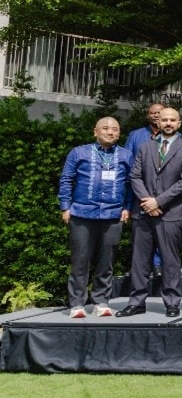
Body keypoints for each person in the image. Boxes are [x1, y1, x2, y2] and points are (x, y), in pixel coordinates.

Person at [120, 107, 182, 318]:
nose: (168, 123)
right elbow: (135, 176)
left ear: (179, 123)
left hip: (172, 213)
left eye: (172, 120)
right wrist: (148, 202)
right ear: (158, 123)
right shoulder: (145, 147)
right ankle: (137, 302)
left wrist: (158, 201)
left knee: (170, 260)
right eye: (164, 120)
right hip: (143, 212)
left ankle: (172, 302)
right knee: (139, 260)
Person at [58, 117, 132, 318]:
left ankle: (101, 301)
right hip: (82, 213)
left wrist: (127, 207)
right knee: (80, 260)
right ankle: (77, 304)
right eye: (105, 128)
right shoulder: (78, 152)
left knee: (106, 261)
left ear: (119, 133)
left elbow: (132, 184)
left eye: (115, 129)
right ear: (95, 131)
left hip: (113, 214)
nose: (110, 132)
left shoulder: (126, 155)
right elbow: (66, 180)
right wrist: (65, 207)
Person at [124, 101, 164, 277]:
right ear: (148, 115)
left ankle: (157, 263)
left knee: (161, 230)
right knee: (141, 232)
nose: (156, 115)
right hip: (139, 190)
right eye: (152, 112)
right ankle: (140, 266)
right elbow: (128, 159)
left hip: (163, 192)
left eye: (159, 112)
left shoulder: (176, 136)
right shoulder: (136, 135)